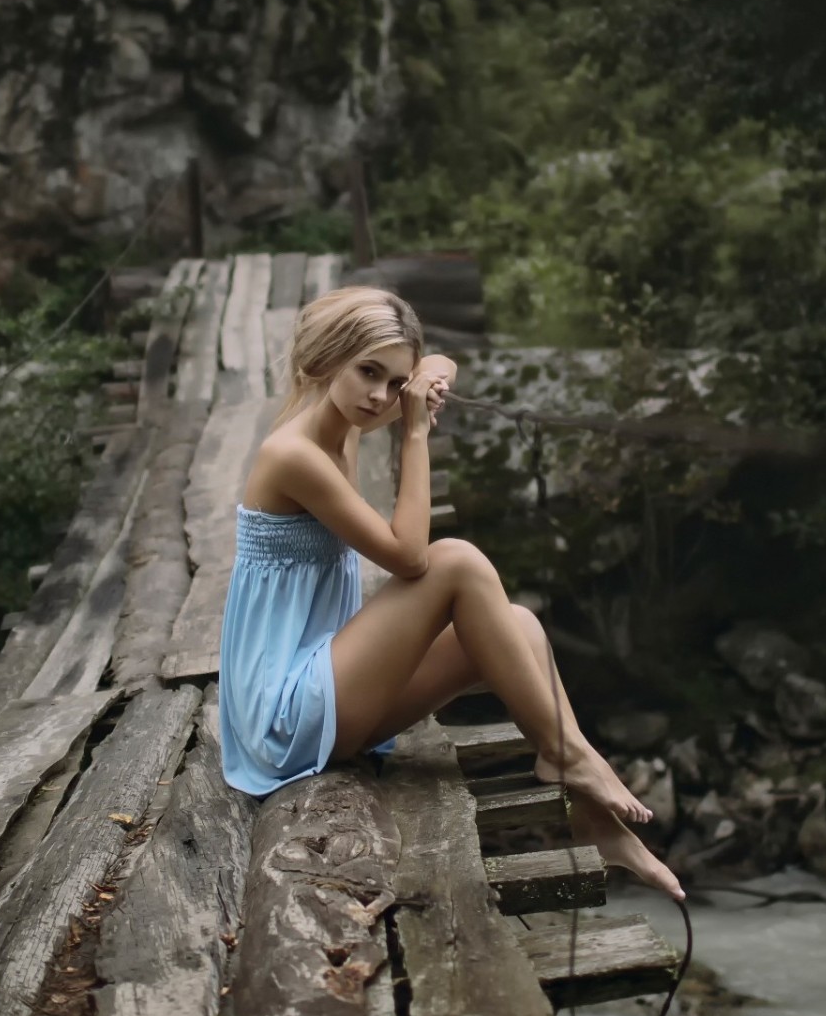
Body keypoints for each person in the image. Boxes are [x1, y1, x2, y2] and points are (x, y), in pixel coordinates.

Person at [219, 284, 685, 897]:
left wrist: (432, 368)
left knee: (517, 623)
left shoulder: (345, 427)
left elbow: (436, 365)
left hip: (324, 692)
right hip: (281, 717)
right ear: (327, 358)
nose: (381, 396)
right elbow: (411, 558)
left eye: (394, 382)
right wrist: (414, 434)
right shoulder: (293, 454)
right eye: (367, 373)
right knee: (455, 560)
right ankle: (571, 757)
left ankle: (590, 812)